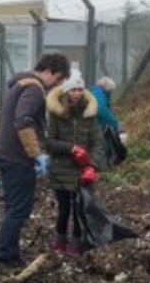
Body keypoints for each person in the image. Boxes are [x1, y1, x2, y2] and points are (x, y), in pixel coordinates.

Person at [0, 52, 71, 266]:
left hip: (6, 152)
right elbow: (23, 120)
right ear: (49, 72)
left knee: (13, 206)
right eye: (58, 79)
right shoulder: (34, 89)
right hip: (17, 157)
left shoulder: (19, 83)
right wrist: (36, 154)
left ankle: (9, 250)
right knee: (20, 209)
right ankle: (5, 254)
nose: (57, 85)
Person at [43, 76, 105, 255]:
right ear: (66, 92)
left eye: (79, 90)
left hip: (82, 170)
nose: (76, 93)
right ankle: (60, 240)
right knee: (64, 208)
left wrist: (92, 166)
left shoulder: (89, 114)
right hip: (61, 169)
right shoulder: (56, 114)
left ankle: (77, 242)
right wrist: (71, 148)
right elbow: (49, 142)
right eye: (73, 90)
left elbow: (98, 143)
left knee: (81, 208)